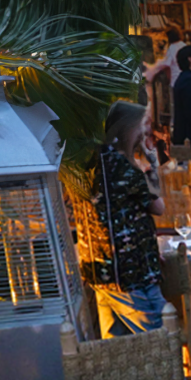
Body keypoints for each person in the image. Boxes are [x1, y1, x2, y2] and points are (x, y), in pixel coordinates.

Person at [79, 102, 166, 337]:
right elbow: (159, 207)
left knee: (116, 345)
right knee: (161, 338)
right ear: (127, 129)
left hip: (100, 271)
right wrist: (150, 160)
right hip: (130, 276)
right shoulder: (122, 166)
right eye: (141, 126)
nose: (145, 132)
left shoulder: (86, 163)